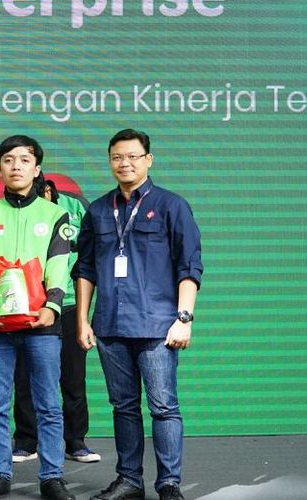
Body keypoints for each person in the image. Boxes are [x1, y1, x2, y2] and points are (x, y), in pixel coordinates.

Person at [74, 128, 203, 500]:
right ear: (110, 161)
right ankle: (129, 480)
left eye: (132, 156)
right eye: (117, 157)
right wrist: (83, 319)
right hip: (110, 325)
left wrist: (184, 318)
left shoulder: (171, 205)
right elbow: (85, 269)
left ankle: (169, 484)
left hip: (157, 326)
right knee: (123, 407)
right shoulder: (98, 210)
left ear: (148, 159)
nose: (124, 163)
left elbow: (189, 266)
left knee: (163, 407)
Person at [0, 135, 75, 500]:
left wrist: (53, 306)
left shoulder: (54, 214)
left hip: (42, 324)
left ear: (37, 168)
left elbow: (59, 265)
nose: (16, 166)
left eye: (24, 160)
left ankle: (52, 477)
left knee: (49, 405)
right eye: (9, 160)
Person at [12, 178, 100, 464]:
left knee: (73, 376)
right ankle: (26, 440)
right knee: (24, 375)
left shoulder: (76, 206)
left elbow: (91, 251)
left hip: (70, 303)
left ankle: (76, 441)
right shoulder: (15, 210)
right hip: (30, 305)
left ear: (48, 191)